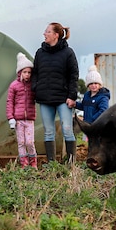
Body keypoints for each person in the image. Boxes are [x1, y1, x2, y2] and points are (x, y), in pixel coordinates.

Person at [32, 22, 79, 165]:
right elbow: (35, 73)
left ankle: (71, 164)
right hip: (45, 98)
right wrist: (36, 87)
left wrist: (72, 96)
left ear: (56, 35)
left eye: (47, 31)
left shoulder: (68, 53)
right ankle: (52, 164)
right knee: (48, 132)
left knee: (67, 130)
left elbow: (74, 75)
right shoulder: (40, 53)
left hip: (63, 99)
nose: (44, 34)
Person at [6, 52, 38, 168]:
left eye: (29, 72)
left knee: (29, 142)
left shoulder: (33, 86)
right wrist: (11, 118)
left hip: (29, 119)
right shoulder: (14, 85)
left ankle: (33, 162)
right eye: (25, 72)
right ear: (20, 73)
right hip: (18, 119)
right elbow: (10, 102)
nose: (27, 75)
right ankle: (23, 164)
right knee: (21, 142)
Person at [76, 65, 110, 140]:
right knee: (86, 144)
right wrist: (75, 104)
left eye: (96, 83)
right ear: (88, 85)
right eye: (91, 84)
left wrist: (92, 119)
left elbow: (103, 111)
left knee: (96, 143)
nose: (93, 85)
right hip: (87, 126)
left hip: (97, 126)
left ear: (99, 84)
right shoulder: (87, 95)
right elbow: (84, 106)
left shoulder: (103, 97)